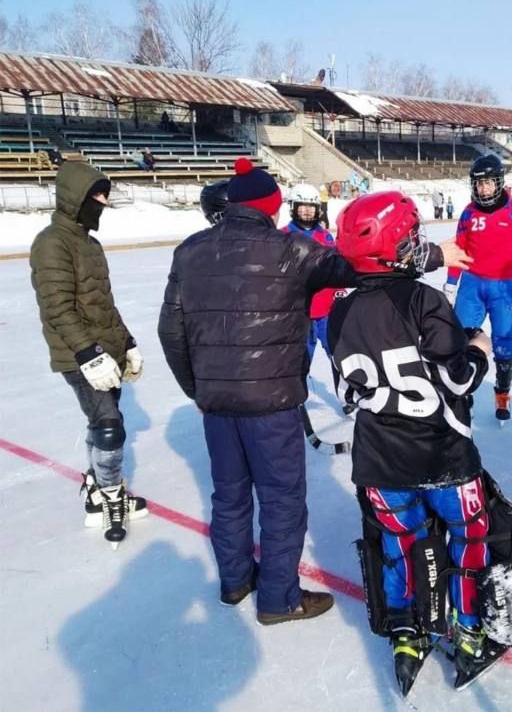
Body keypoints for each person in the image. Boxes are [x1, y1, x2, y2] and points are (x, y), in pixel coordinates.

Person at [158, 159, 473, 622]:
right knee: (281, 497)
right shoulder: (289, 249)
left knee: (229, 494)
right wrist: (431, 255)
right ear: (270, 205)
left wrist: (201, 390)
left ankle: (235, 581)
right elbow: (361, 264)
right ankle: (279, 599)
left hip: (217, 406)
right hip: (273, 403)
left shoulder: (189, 252)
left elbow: (171, 332)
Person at [328, 191, 512, 694]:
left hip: (380, 459)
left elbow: (349, 393)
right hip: (443, 455)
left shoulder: (339, 310)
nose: (419, 245)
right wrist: (477, 348)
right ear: (395, 247)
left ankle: (405, 631)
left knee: (399, 545)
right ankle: (469, 632)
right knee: (469, 539)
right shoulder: (424, 299)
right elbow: (457, 381)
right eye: (412, 237)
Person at [29, 162, 148, 548]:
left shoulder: (88, 244)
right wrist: (88, 353)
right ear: (75, 197)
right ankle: (113, 499)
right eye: (97, 195)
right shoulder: (51, 243)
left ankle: (98, 492)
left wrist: (126, 342)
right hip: (78, 354)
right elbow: (57, 307)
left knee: (102, 422)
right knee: (109, 425)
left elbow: (103, 305)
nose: (102, 203)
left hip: (104, 350)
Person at [444, 154, 512, 423]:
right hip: (472, 285)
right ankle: (463, 394)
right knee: (461, 338)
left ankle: (502, 395)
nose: (483, 189)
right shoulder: (468, 212)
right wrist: (451, 282)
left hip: (504, 287)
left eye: (488, 183)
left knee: (503, 341)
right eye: (478, 184)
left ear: (499, 182)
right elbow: (460, 249)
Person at [280, 183, 346, 407]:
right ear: (293, 207)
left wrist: (340, 293)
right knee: (300, 358)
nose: (307, 211)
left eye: (311, 206)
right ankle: (295, 398)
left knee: (337, 354)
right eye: (302, 206)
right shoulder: (283, 236)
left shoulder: (325, 236)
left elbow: (337, 268)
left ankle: (345, 394)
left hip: (326, 310)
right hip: (300, 312)